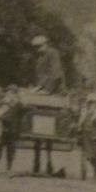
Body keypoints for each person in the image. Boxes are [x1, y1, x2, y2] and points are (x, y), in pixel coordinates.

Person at [30, 35, 66, 176]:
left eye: (40, 46)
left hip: (54, 91)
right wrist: (37, 88)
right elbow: (40, 77)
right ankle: (37, 162)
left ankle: (51, 163)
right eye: (36, 47)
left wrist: (45, 89)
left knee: (51, 129)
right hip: (43, 92)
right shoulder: (40, 58)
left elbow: (55, 75)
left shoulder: (52, 53)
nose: (37, 49)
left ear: (46, 44)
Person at [0, 85, 21, 175]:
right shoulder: (2, 102)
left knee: (10, 150)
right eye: (10, 92)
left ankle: (8, 169)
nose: (11, 94)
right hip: (1, 128)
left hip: (11, 129)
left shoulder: (18, 104)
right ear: (7, 93)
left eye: (14, 92)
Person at [78, 93, 96, 182]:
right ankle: (94, 172)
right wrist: (80, 128)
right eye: (90, 103)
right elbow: (80, 124)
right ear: (87, 103)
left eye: (93, 103)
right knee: (88, 155)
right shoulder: (84, 112)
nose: (91, 105)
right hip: (86, 136)